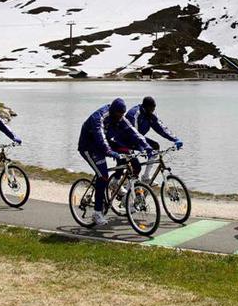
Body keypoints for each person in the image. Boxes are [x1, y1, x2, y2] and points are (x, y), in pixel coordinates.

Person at [78, 98, 136, 226]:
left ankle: (116, 186)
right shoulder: (98, 117)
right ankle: (97, 213)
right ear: (113, 111)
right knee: (103, 176)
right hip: (88, 147)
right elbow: (100, 136)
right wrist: (110, 151)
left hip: (102, 146)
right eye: (118, 115)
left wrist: (146, 147)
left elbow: (132, 131)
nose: (120, 117)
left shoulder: (119, 117)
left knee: (127, 158)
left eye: (122, 115)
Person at [126, 96, 182, 182]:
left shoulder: (151, 115)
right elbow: (134, 134)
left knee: (155, 146)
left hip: (139, 138)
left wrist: (175, 139)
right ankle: (117, 181)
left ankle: (145, 177)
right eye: (151, 109)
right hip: (126, 139)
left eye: (154, 109)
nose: (153, 111)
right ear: (145, 107)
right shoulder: (134, 114)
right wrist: (144, 148)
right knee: (134, 165)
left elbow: (162, 129)